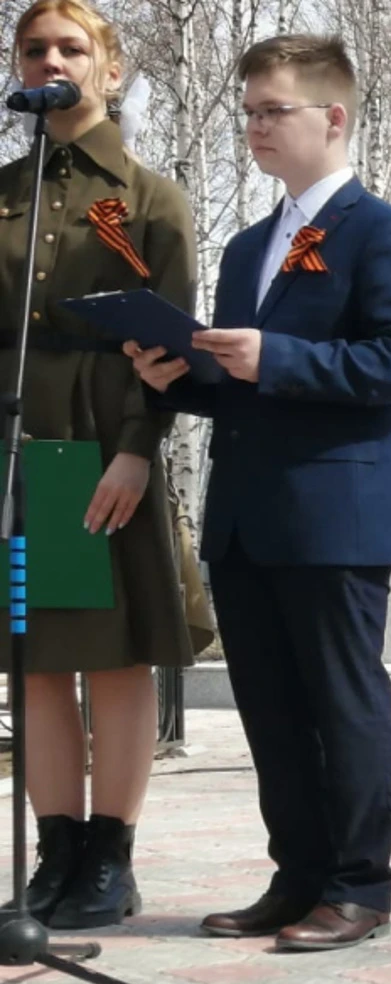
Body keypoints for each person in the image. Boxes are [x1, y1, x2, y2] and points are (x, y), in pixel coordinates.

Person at [129, 34, 391, 951]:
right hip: (246, 514)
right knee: (269, 708)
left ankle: (358, 887)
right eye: (251, 111)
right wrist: (173, 376)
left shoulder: (388, 234)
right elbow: (240, 381)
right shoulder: (249, 246)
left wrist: (281, 356)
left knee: (343, 703)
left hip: (336, 513)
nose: (256, 126)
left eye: (274, 110)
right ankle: (297, 876)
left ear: (332, 117)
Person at [0, 0, 195, 931]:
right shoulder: (3, 191)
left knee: (110, 660)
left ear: (109, 70)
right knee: (35, 661)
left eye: (71, 47)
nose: (51, 59)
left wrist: (134, 450)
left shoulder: (147, 198)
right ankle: (56, 855)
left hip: (93, 438)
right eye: (34, 47)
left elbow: (168, 347)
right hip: (12, 446)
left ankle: (111, 857)